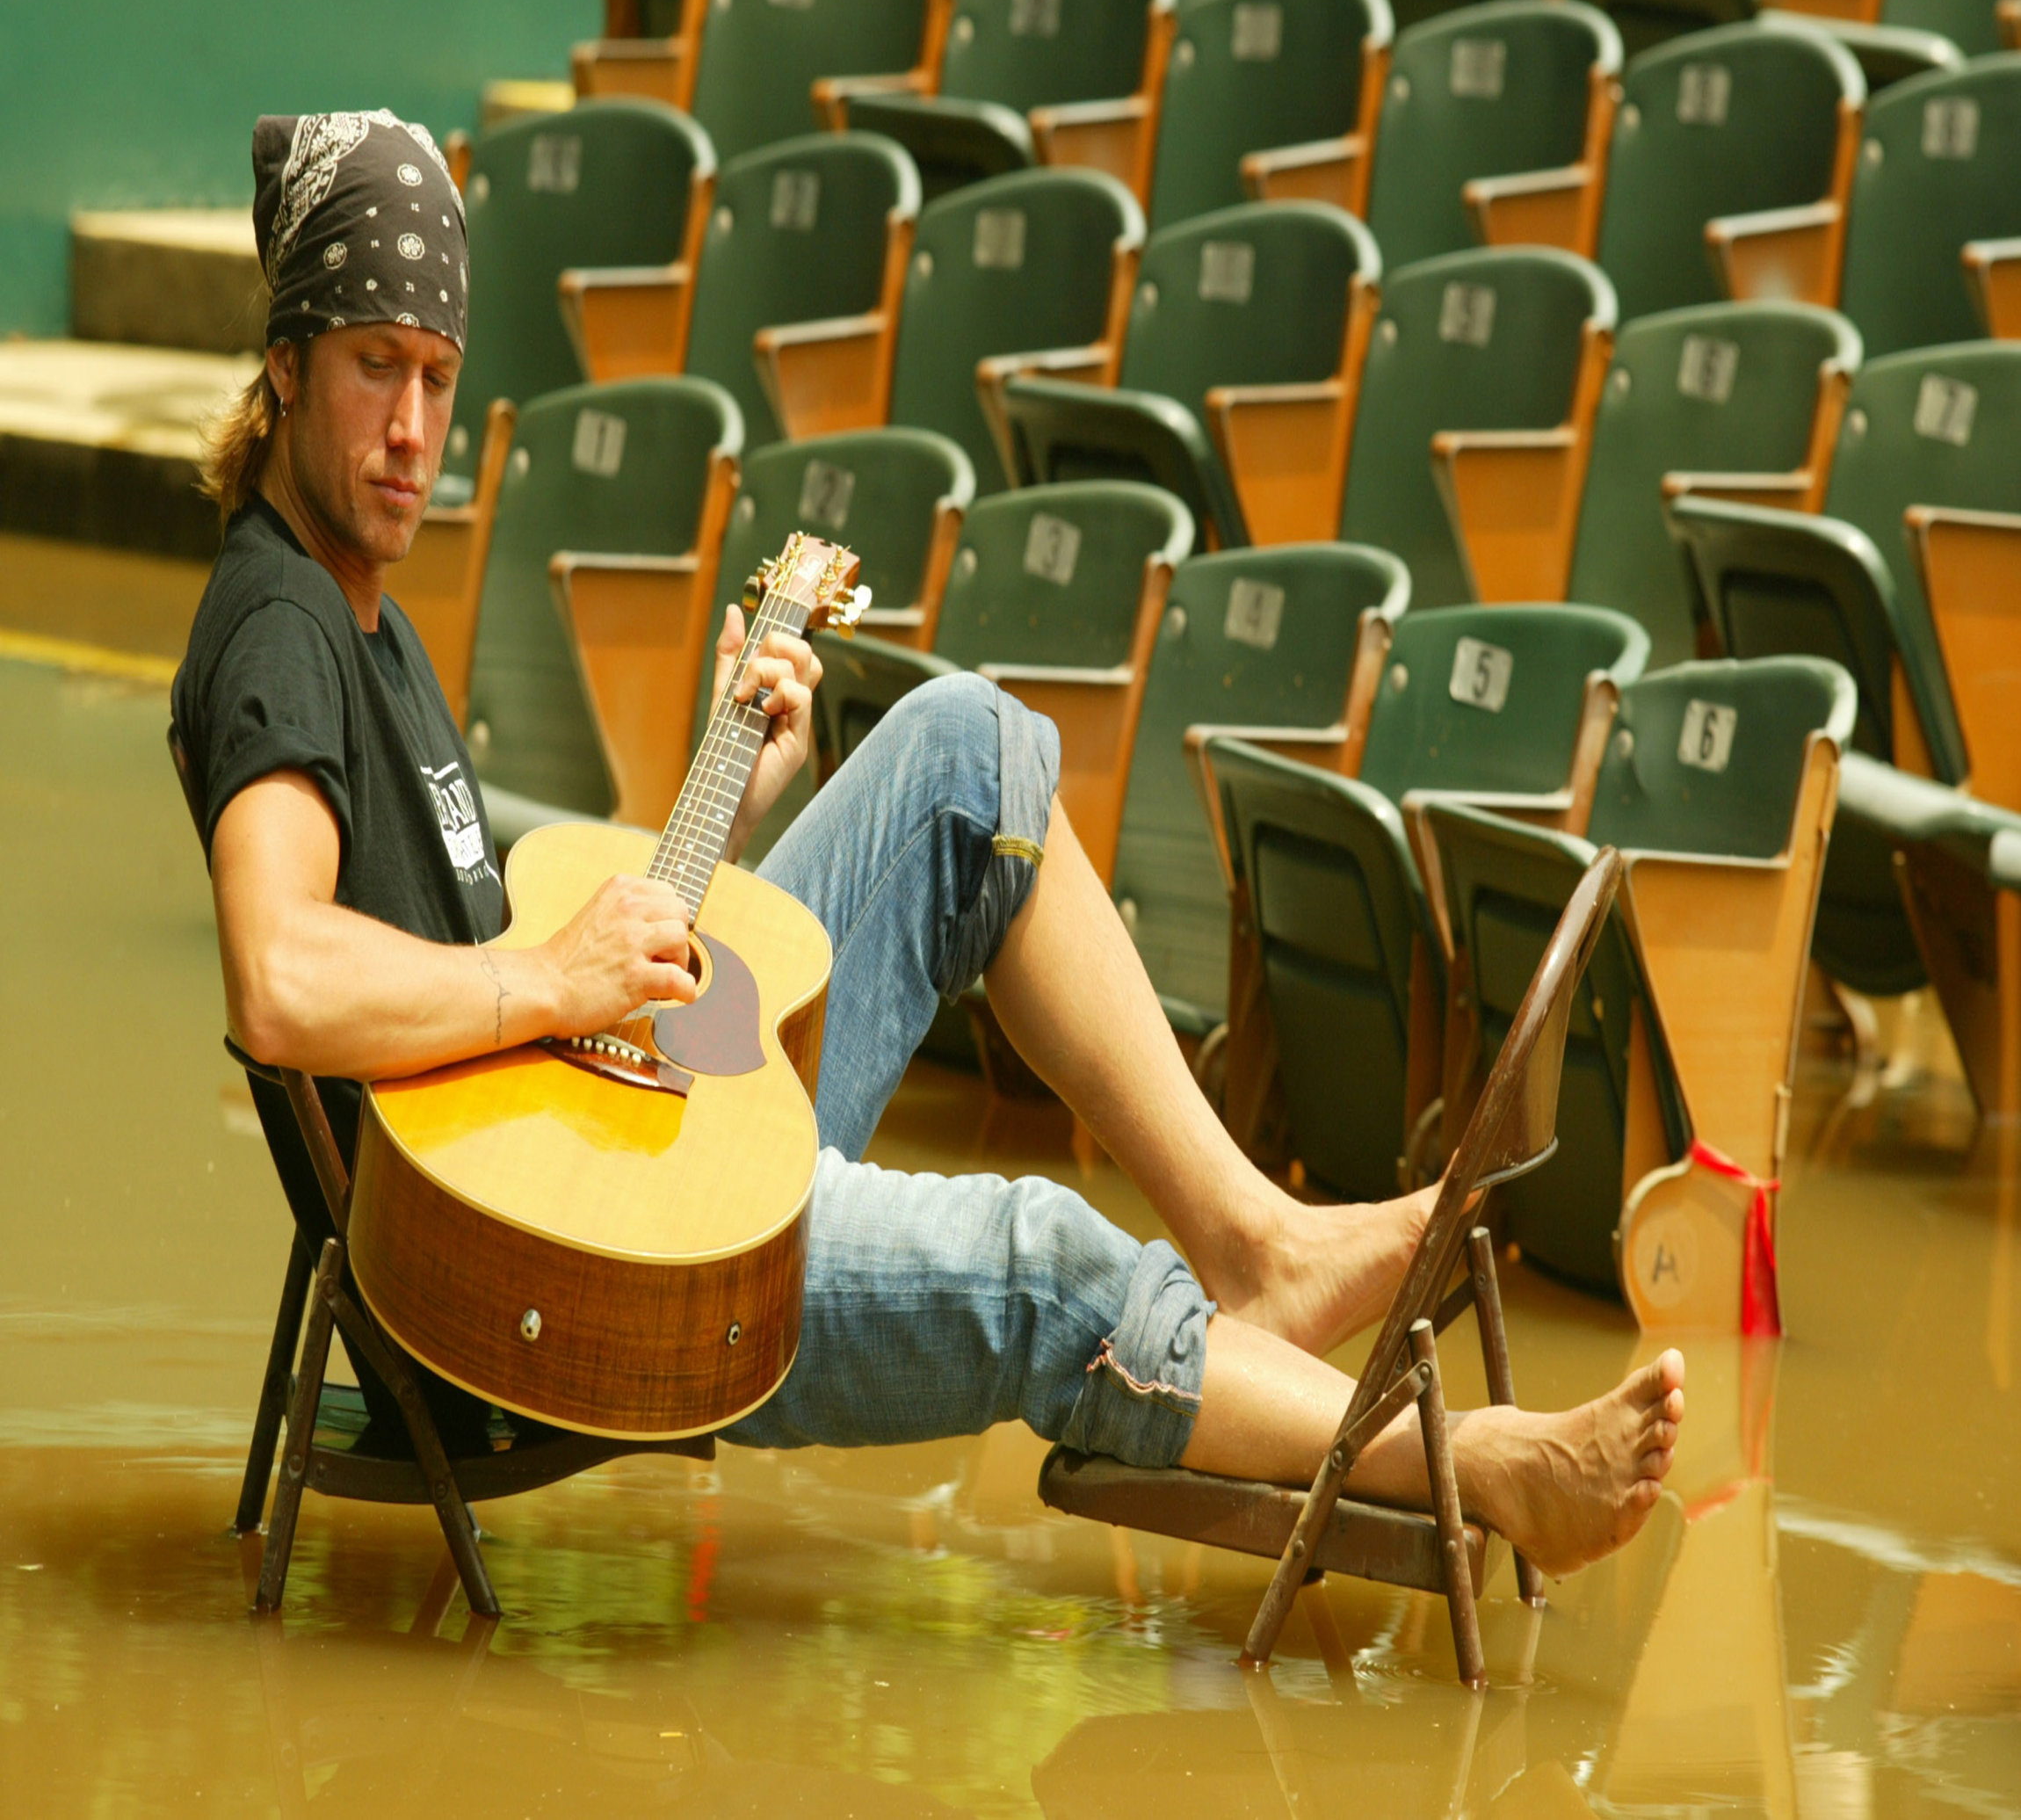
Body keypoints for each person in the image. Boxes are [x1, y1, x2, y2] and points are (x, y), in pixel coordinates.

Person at [172, 111, 1683, 1584]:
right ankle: (1472, 1461)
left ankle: (1253, 1242)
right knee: (1042, 1253)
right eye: (376, 369)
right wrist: (558, 978)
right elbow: (283, 973)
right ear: (287, 365)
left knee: (972, 748)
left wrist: (724, 794)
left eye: (436, 375)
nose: (413, 427)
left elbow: (503, 961)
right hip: (548, 1277)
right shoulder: (281, 631)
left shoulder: (359, 614)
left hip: (576, 1144)